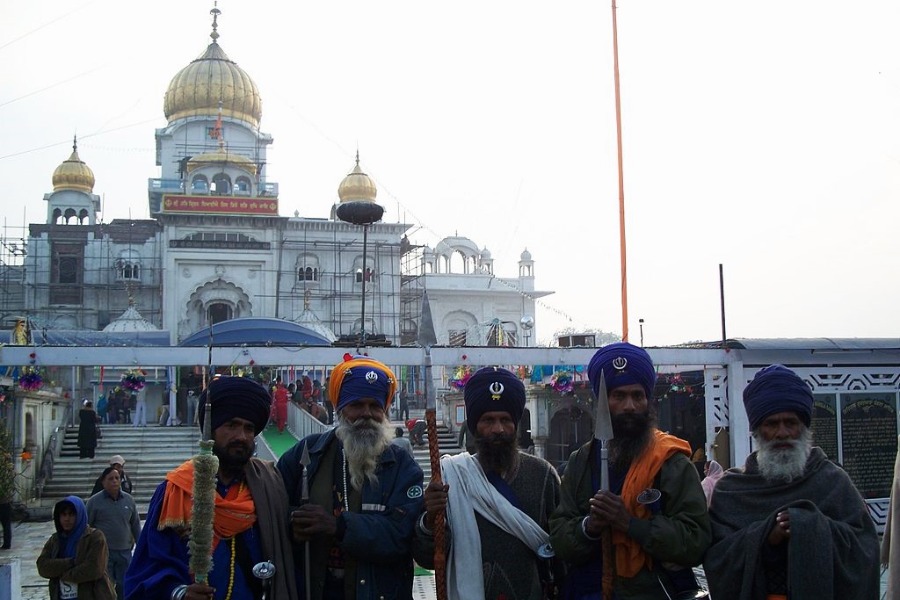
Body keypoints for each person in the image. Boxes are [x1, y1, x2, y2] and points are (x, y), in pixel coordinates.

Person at [549, 342, 711, 599]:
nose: (629, 406)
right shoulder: (581, 462)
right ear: (602, 402)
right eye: (618, 396)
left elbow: (695, 541)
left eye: (637, 396)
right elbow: (559, 536)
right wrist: (589, 527)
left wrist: (631, 523)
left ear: (648, 400)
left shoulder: (671, 462)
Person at [703, 364, 880, 599]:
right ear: (756, 430)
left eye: (791, 422)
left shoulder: (832, 481)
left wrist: (810, 526)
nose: (782, 433)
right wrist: (767, 536)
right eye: (772, 424)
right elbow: (717, 559)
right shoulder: (732, 489)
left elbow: (865, 550)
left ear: (804, 427)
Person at [124, 376, 298, 600]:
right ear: (211, 431)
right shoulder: (177, 490)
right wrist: (179, 593)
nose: (241, 436)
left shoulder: (268, 483)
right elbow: (147, 567)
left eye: (249, 428)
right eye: (232, 425)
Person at [278, 355, 424, 600]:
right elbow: (274, 508)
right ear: (340, 409)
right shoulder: (308, 453)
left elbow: (401, 535)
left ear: (384, 411)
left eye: (375, 406)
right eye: (356, 404)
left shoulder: (402, 466)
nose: (366, 414)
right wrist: (293, 523)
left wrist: (338, 526)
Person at [414, 366, 562, 600]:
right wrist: (431, 519)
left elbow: (560, 551)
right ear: (474, 427)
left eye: (505, 420)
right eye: (488, 420)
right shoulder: (451, 477)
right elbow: (428, 558)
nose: (498, 429)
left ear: (516, 424)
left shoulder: (542, 475)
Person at [37, 495, 116, 600]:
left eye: (71, 514)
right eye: (63, 514)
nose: (67, 519)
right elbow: (43, 566)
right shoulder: (56, 540)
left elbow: (94, 568)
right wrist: (71, 563)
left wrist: (63, 575)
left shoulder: (94, 537)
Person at [87, 466, 141, 599]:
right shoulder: (94, 502)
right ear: (103, 482)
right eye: (110, 479)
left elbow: (135, 524)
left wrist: (141, 545)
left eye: (117, 478)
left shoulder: (129, 500)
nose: (115, 481)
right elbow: (87, 526)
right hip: (104, 552)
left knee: (125, 584)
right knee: (106, 585)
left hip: (125, 551)